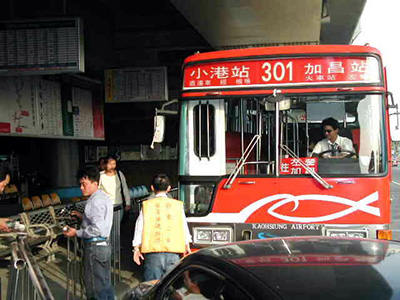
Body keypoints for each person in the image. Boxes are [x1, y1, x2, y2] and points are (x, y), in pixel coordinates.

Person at [63, 166, 114, 300]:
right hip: (104, 246)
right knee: (105, 285)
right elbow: (100, 221)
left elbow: (96, 229)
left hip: (94, 248)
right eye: (80, 184)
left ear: (95, 183)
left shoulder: (94, 202)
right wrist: (83, 217)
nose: (81, 188)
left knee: (94, 289)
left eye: (84, 184)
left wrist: (77, 232)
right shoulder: (104, 197)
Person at [132, 174, 192, 281]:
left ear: (152, 188)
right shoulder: (177, 205)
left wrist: (136, 248)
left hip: (152, 252)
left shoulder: (147, 205)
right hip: (173, 251)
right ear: (169, 188)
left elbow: (140, 226)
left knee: (152, 285)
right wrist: (186, 244)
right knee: (170, 285)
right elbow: (183, 224)